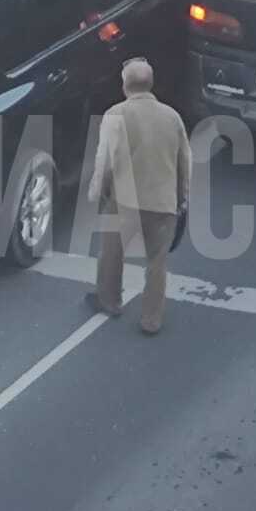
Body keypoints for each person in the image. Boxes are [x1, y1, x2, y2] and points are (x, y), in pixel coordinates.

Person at [84, 58, 190, 334]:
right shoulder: (172, 117)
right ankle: (151, 319)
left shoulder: (115, 115)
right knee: (157, 262)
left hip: (125, 202)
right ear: (150, 84)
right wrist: (181, 198)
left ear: (125, 85)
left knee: (112, 252)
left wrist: (101, 191)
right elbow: (184, 162)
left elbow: (105, 159)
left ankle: (110, 300)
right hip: (163, 202)